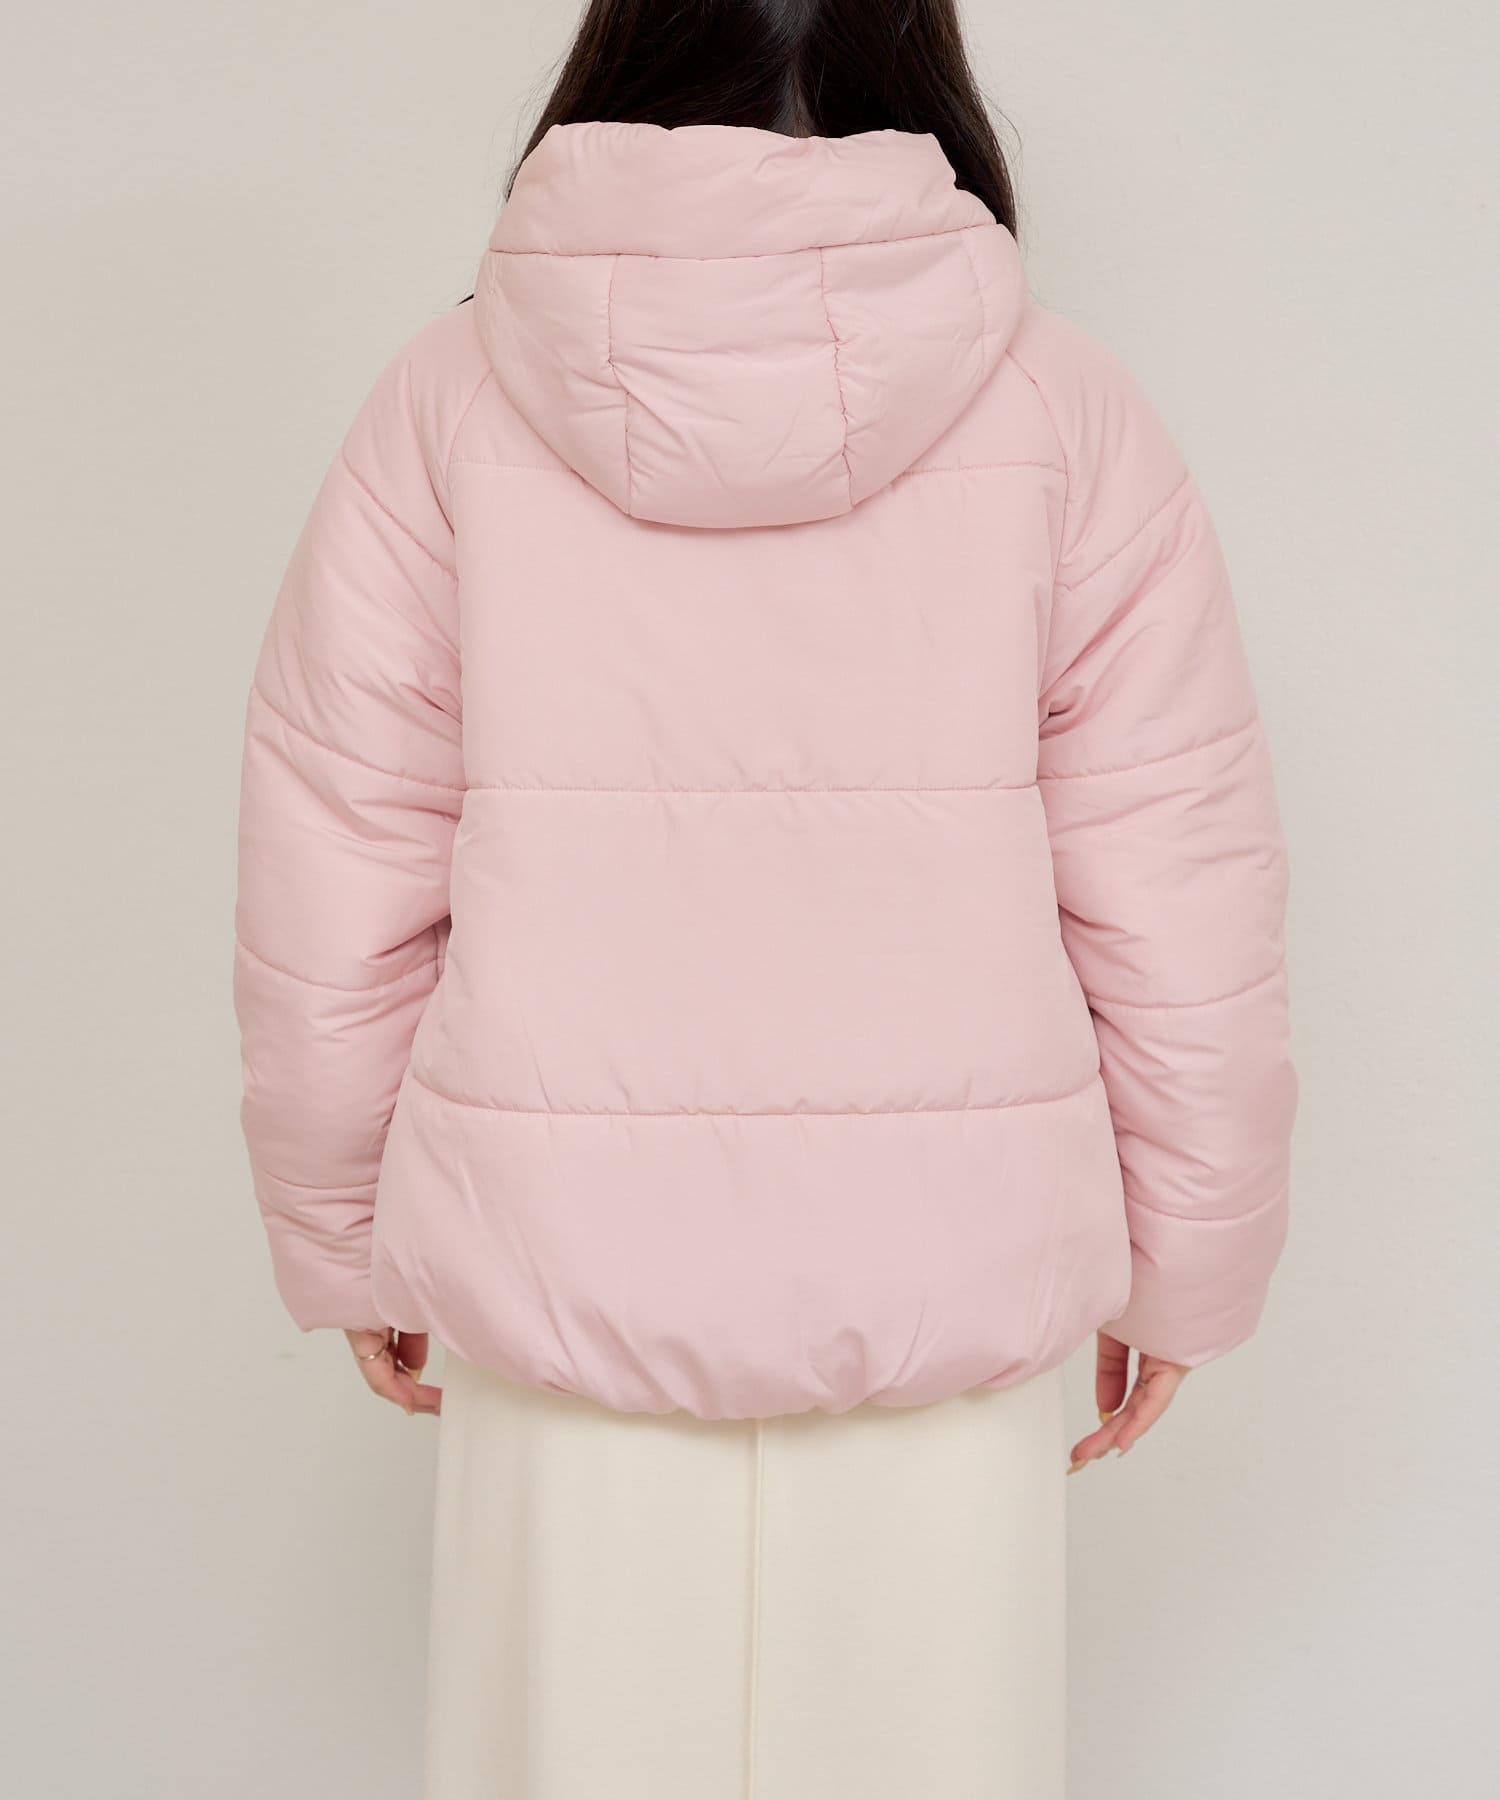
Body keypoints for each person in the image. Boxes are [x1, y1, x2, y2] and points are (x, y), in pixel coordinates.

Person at [233, 1, 1296, 1793]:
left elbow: (338, 859)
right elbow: (1178, 882)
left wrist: (349, 1232)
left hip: (558, 1284)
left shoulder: (443, 401)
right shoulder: (1066, 412)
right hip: (945, 1295)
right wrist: (1187, 1262)